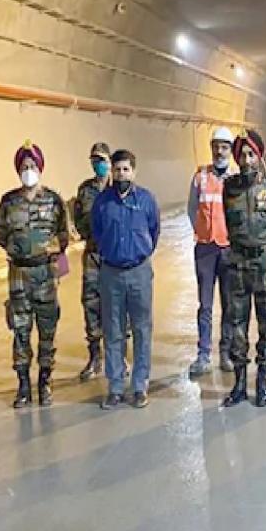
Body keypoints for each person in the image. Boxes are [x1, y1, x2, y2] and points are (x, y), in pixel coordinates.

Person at [0, 142, 70, 408]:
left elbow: (64, 235)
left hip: (46, 275)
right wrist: (21, 251)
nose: (28, 170)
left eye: (32, 166)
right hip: (19, 274)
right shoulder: (8, 202)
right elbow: (1, 235)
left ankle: (45, 381)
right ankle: (23, 385)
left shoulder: (53, 200)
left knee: (47, 329)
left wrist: (53, 261)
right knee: (20, 330)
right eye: (24, 167)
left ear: (40, 168)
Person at [221, 130, 266, 408]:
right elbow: (227, 223)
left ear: (259, 156)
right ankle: (239, 384)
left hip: (265, 265)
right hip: (237, 265)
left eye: (251, 155)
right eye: (242, 156)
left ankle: (262, 382)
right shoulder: (230, 188)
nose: (246, 161)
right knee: (237, 324)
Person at [92, 149, 160, 410]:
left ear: (134, 171)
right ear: (112, 171)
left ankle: (140, 385)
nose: (121, 174)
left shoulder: (146, 200)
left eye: (126, 169)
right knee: (113, 330)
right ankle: (116, 386)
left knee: (142, 329)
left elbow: (154, 231)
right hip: (111, 274)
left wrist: (138, 255)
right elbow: (97, 232)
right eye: (117, 169)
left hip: (139, 272)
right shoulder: (102, 202)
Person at [187, 127, 237, 376]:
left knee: (229, 304)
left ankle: (225, 352)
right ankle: (203, 354)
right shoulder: (200, 177)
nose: (220, 151)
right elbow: (191, 209)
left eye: (225, 147)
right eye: (216, 146)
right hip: (205, 249)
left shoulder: (236, 178)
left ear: (230, 150)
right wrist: (201, 232)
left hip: (229, 249)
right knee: (205, 305)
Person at [72, 142, 112, 381]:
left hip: (114, 255)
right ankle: (95, 357)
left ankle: (117, 356)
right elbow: (79, 220)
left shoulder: (119, 187)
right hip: (94, 254)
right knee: (91, 303)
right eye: (94, 160)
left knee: (117, 305)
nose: (98, 164)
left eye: (102, 159)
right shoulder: (85, 190)